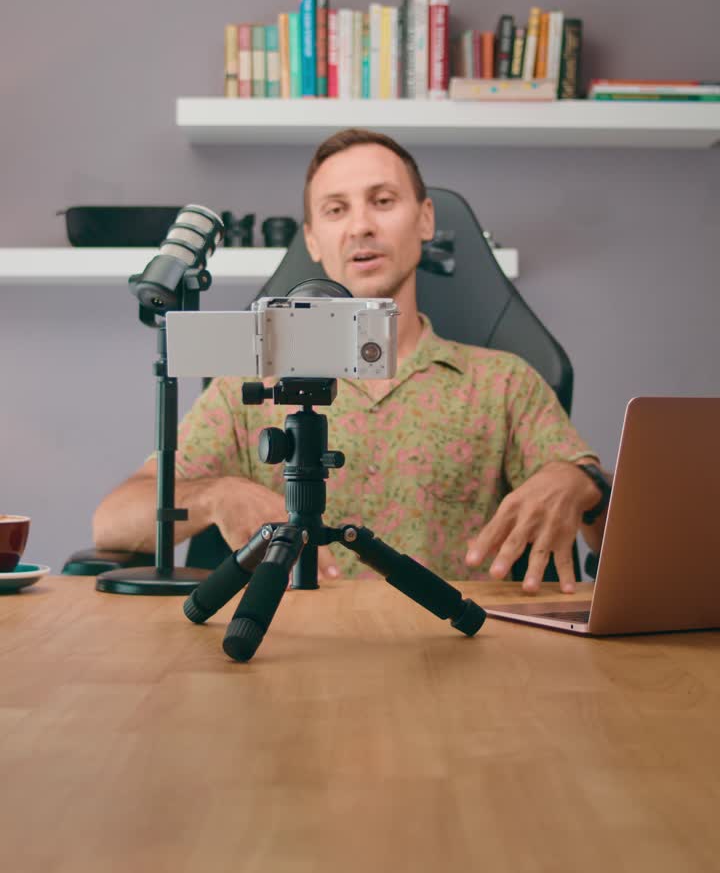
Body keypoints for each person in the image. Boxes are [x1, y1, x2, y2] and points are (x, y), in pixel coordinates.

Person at [94, 128, 611, 592]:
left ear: (425, 218)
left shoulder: (503, 382)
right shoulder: (247, 386)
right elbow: (113, 522)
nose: (361, 225)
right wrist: (216, 497)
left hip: (454, 654)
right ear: (314, 240)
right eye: (336, 210)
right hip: (287, 658)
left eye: (382, 201)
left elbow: (612, 536)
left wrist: (581, 483)